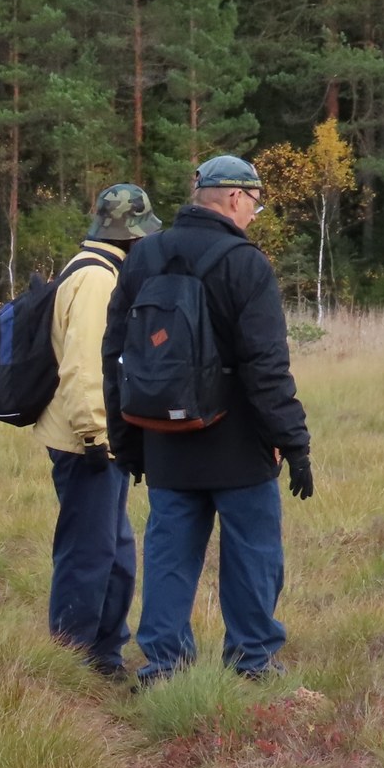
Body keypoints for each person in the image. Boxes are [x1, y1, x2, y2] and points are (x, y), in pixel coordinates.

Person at [103, 155, 313, 686]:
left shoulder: (142, 257)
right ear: (236, 198)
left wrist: (128, 443)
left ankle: (164, 667)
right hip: (239, 444)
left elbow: (116, 358)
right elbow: (267, 367)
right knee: (252, 555)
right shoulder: (246, 263)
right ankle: (252, 664)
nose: (254, 214)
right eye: (256, 204)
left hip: (166, 441)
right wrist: (293, 443)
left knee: (170, 558)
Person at [35, 183, 158, 679]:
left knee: (114, 553)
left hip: (100, 442)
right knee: (87, 555)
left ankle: (105, 655)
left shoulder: (101, 271)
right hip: (88, 443)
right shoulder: (96, 282)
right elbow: (85, 369)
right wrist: (97, 439)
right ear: (131, 234)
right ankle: (71, 663)